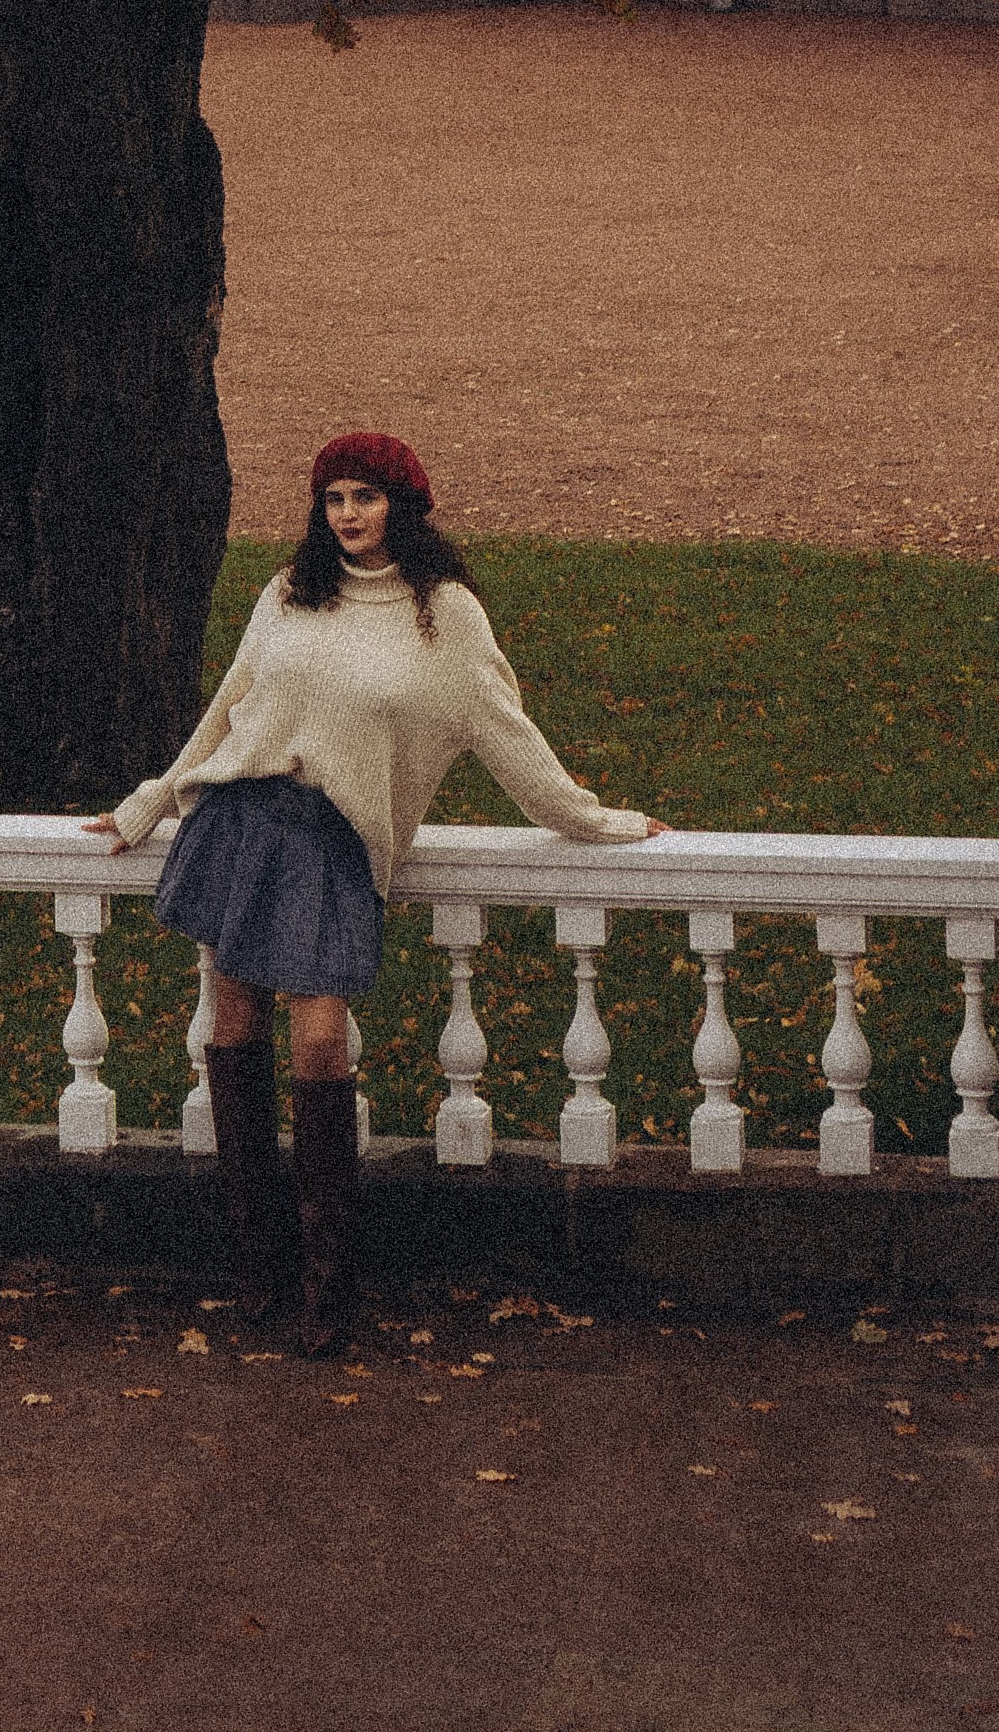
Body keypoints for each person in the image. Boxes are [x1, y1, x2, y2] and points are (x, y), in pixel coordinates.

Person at [89, 432, 664, 1356]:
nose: (347, 516)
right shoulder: (285, 593)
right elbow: (230, 707)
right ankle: (259, 1272)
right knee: (230, 1026)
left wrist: (598, 821)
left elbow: (509, 737)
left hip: (334, 839)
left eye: (365, 497)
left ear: (403, 503)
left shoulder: (447, 617)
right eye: (333, 499)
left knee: (318, 1038)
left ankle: (329, 1284)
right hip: (241, 818)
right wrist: (151, 800)